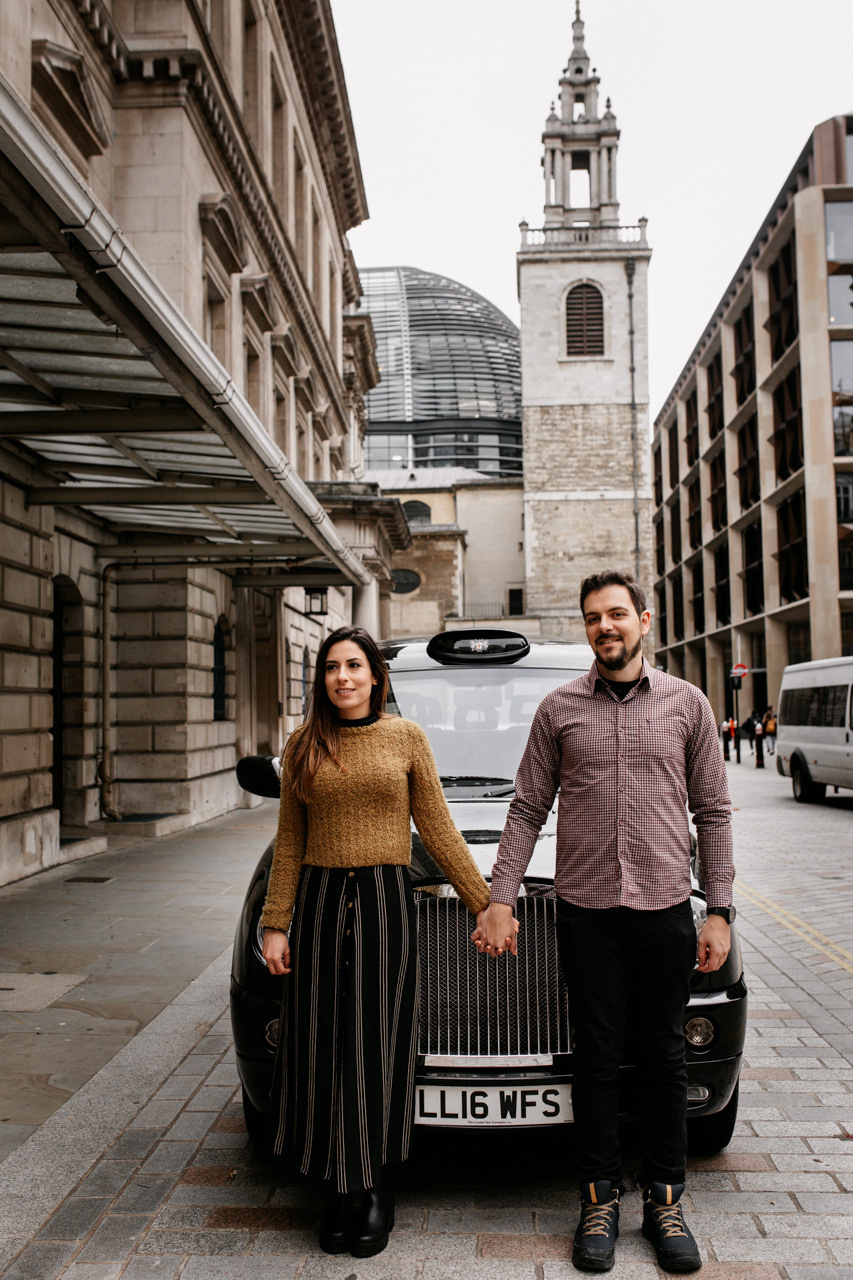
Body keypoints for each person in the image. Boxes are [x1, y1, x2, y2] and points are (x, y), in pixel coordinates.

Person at [474, 570, 734, 1274]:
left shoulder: (687, 706)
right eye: (593, 618)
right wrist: (500, 896)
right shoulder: (559, 710)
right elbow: (526, 807)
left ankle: (665, 1201)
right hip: (584, 911)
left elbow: (712, 812)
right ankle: (596, 1201)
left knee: (662, 1057)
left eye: (616, 615)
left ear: (643, 621)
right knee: (592, 1060)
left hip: (662, 911)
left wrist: (719, 909)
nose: (604, 627)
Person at [261, 626, 491, 1258]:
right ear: (322, 678)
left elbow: (438, 829)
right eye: (332, 667)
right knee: (322, 1043)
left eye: (354, 665)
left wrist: (487, 903)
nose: (343, 677)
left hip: (387, 907)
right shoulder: (304, 745)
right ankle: (335, 1186)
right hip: (318, 905)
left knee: (375, 1041)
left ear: (374, 675)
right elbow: (289, 844)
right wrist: (274, 922)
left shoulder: (405, 737)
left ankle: (371, 1186)